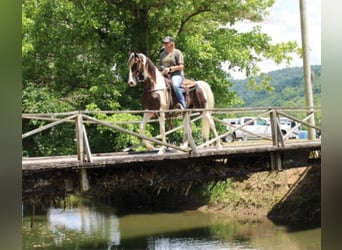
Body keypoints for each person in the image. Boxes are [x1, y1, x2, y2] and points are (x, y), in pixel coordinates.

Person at [159, 36, 186, 109]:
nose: (165, 44)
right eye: (164, 43)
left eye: (167, 43)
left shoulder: (177, 52)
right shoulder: (162, 54)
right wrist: (161, 69)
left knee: (175, 85)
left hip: (177, 74)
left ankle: (182, 104)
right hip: (165, 75)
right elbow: (160, 65)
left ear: (172, 44)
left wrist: (170, 69)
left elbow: (181, 66)